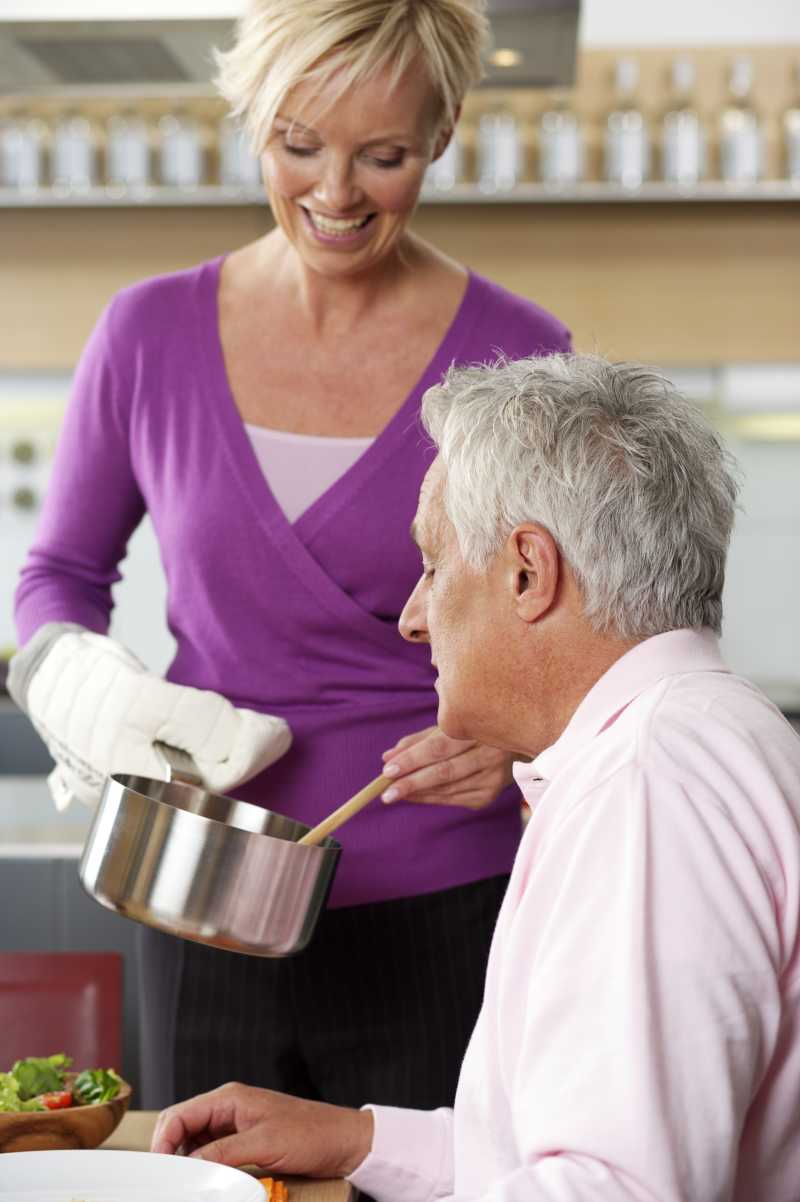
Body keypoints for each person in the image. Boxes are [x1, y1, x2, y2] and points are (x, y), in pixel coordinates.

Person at [8, 0, 571, 1110]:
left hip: (444, 889)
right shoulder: (146, 335)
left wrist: (518, 748)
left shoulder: (522, 356)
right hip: (201, 889)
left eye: (385, 154)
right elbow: (59, 575)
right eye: (296, 144)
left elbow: (575, 628)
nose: (335, 192)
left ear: (445, 131)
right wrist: (77, 683)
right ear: (252, 125)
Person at [151, 352, 800, 1201]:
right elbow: (565, 1144)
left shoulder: (645, 787)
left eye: (431, 565)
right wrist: (355, 1138)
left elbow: (614, 1189)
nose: (414, 620)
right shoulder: (693, 734)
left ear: (528, 571)